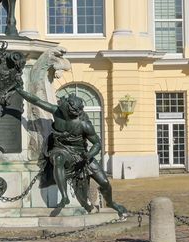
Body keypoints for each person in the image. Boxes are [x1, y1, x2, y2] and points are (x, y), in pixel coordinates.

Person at [17, 88, 127, 216]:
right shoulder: (56, 111)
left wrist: (89, 155)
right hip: (61, 150)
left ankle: (111, 203)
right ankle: (64, 197)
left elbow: (97, 143)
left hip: (81, 154)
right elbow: (36, 100)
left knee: (104, 182)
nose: (61, 104)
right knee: (58, 159)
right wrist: (19, 90)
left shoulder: (84, 124)